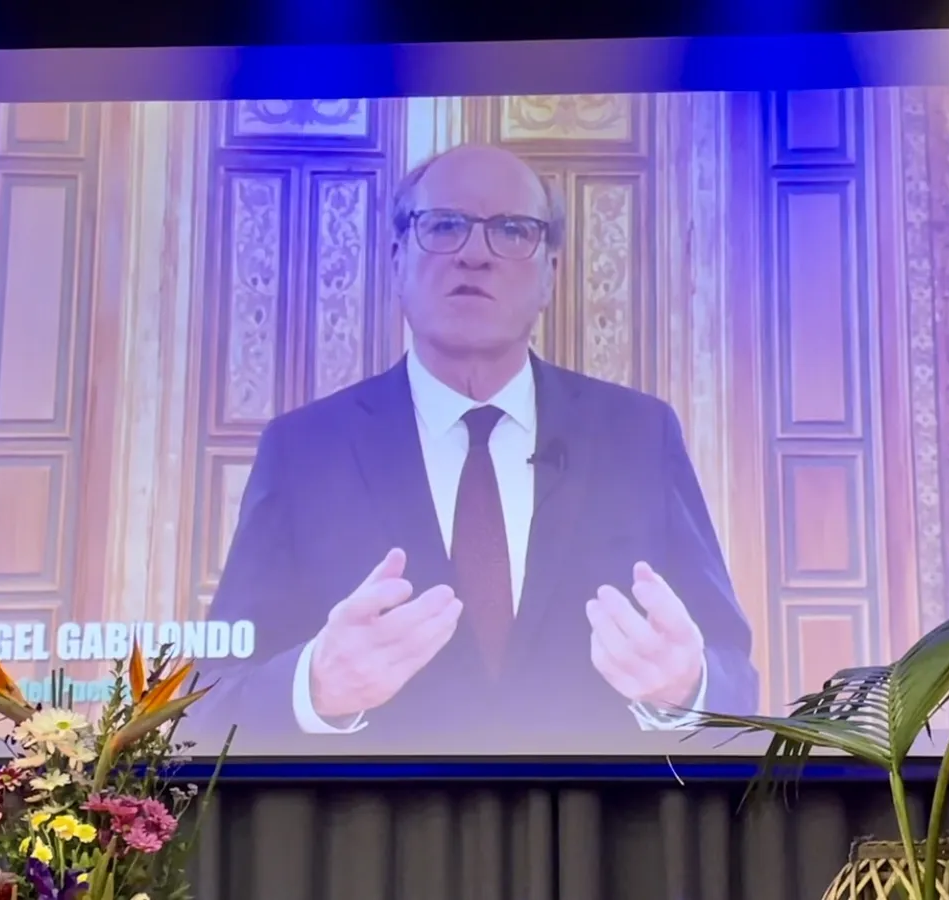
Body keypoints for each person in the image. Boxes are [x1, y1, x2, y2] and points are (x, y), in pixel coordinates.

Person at [188, 143, 758, 754]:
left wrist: (688, 686)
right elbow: (211, 702)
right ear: (397, 260)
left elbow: (734, 676)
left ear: (550, 274)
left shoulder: (638, 435)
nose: (474, 254)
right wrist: (314, 687)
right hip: (378, 810)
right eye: (444, 226)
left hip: (590, 810)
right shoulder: (305, 450)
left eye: (511, 230)